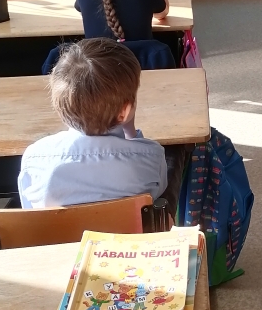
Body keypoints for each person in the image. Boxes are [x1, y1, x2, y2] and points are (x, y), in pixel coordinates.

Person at [18, 38, 168, 209]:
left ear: (60, 107)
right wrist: (130, 131)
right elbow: (156, 196)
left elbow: (29, 210)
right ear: (124, 112)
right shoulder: (151, 157)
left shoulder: (34, 159)